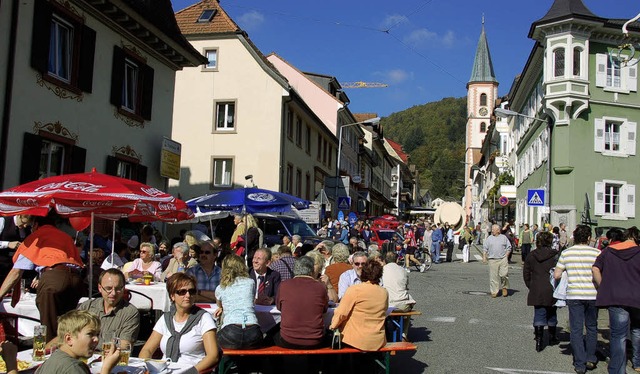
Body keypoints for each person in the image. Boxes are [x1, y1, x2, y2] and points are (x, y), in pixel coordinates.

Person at [0, 212, 84, 341]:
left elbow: (16, 272)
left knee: (48, 329)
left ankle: (50, 357)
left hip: (54, 279)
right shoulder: (64, 236)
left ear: (36, 224)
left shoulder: (37, 237)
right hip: (76, 280)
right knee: (68, 325)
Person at [140, 273, 219, 371]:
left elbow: (213, 356)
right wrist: (148, 367)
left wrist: (190, 372)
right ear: (172, 296)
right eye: (182, 292)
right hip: (164, 370)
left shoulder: (204, 318)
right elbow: (147, 350)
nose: (188, 295)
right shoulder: (166, 319)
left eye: (192, 291)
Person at [592, 226, 640, 374]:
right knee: (637, 331)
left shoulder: (609, 251)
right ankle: (637, 363)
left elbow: (595, 269)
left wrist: (603, 286)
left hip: (616, 296)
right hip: (637, 297)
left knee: (618, 335)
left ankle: (617, 370)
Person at [554, 225, 599, 374]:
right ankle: (591, 358)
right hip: (593, 294)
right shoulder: (597, 253)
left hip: (574, 295)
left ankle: (579, 363)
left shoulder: (567, 253)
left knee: (576, 329)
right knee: (592, 327)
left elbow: (557, 275)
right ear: (588, 238)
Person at [34, 310, 122, 374]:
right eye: (90, 334)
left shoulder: (54, 359)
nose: (96, 339)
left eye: (97, 334)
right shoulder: (72, 368)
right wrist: (106, 369)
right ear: (69, 339)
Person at [330, 260, 388, 351]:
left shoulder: (355, 290)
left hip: (356, 339)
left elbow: (341, 313)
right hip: (378, 339)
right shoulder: (384, 292)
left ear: (363, 273)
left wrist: (332, 326)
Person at [275, 256, 329, 348]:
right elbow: (324, 309)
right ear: (312, 271)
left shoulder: (284, 285)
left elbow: (279, 307)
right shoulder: (320, 287)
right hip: (315, 339)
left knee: (270, 334)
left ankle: (275, 362)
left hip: (288, 339)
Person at [77, 268, 140, 348]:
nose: (113, 293)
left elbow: (124, 346)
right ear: (100, 288)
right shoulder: (87, 307)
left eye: (118, 289)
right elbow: (73, 333)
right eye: (108, 288)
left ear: (124, 288)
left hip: (111, 357)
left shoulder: (130, 312)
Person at [214, 254, 263, 349]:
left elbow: (219, 304)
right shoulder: (250, 282)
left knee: (213, 340)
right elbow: (252, 300)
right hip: (253, 332)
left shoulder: (220, 288)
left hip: (230, 332)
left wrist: (222, 307)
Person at [522, 231, 558, 352]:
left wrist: (531, 285)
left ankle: (539, 340)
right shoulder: (555, 255)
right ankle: (552, 336)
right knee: (552, 311)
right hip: (552, 288)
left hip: (537, 287)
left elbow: (526, 273)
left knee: (539, 312)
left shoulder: (532, 255)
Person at [382, 251, 416, 339]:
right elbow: (406, 286)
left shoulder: (381, 270)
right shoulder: (403, 270)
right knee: (409, 305)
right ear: (397, 260)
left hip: (386, 304)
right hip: (402, 304)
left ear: (385, 261)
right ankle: (404, 333)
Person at [482, 224, 512, 298]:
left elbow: (509, 247)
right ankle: (494, 291)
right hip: (492, 259)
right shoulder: (489, 238)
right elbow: (485, 248)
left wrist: (506, 255)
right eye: (492, 229)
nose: (492, 230)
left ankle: (504, 287)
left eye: (493, 229)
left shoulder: (503, 237)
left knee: (504, 274)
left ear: (498, 230)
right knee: (493, 277)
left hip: (502, 259)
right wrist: (484, 257)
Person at [0, 215, 31, 285]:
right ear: (19, 216)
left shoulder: (26, 229)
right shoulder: (3, 221)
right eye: (24, 222)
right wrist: (8, 244)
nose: (25, 226)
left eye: (28, 224)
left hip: (13, 267)